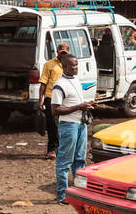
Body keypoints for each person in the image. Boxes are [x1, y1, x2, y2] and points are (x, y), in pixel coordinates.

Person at [51, 53, 95, 198]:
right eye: (73, 65)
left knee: (80, 159)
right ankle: (62, 195)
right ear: (64, 66)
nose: (76, 68)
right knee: (65, 161)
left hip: (81, 124)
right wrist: (78, 107)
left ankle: (78, 193)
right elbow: (55, 110)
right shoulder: (59, 85)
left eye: (77, 64)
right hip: (68, 125)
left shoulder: (76, 79)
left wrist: (87, 106)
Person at [39, 39, 70, 159]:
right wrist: (40, 99)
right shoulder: (49, 64)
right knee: (52, 125)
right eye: (61, 52)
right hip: (51, 98)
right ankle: (52, 150)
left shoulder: (70, 64)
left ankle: (62, 150)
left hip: (65, 99)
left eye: (65, 52)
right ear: (57, 51)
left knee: (65, 125)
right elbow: (43, 83)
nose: (62, 54)